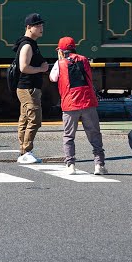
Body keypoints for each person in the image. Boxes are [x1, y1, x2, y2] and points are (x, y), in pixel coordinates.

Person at [48, 37, 105, 175]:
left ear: (61, 51)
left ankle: (71, 165)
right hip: (88, 102)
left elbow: (52, 78)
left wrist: (60, 59)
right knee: (94, 134)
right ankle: (99, 165)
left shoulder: (59, 63)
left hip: (69, 105)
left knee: (69, 136)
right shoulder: (84, 60)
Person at [12, 13, 49, 164]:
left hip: (28, 88)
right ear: (29, 27)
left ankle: (24, 151)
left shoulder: (30, 43)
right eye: (38, 26)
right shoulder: (27, 45)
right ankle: (26, 151)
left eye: (41, 25)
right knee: (35, 119)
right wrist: (41, 69)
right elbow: (24, 67)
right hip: (28, 88)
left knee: (25, 119)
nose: (41, 28)